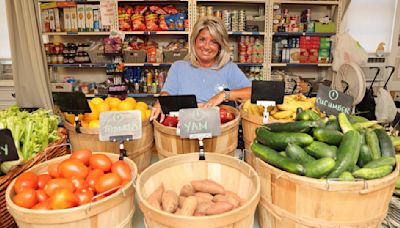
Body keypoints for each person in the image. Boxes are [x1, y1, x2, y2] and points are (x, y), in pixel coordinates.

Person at [150, 16, 251, 121]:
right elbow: (167, 92)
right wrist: (160, 102)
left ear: (220, 46)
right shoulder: (178, 67)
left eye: (213, 42)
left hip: (221, 133)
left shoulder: (228, 68)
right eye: (202, 39)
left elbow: (251, 92)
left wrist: (224, 95)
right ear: (194, 41)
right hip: (183, 131)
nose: (206, 47)